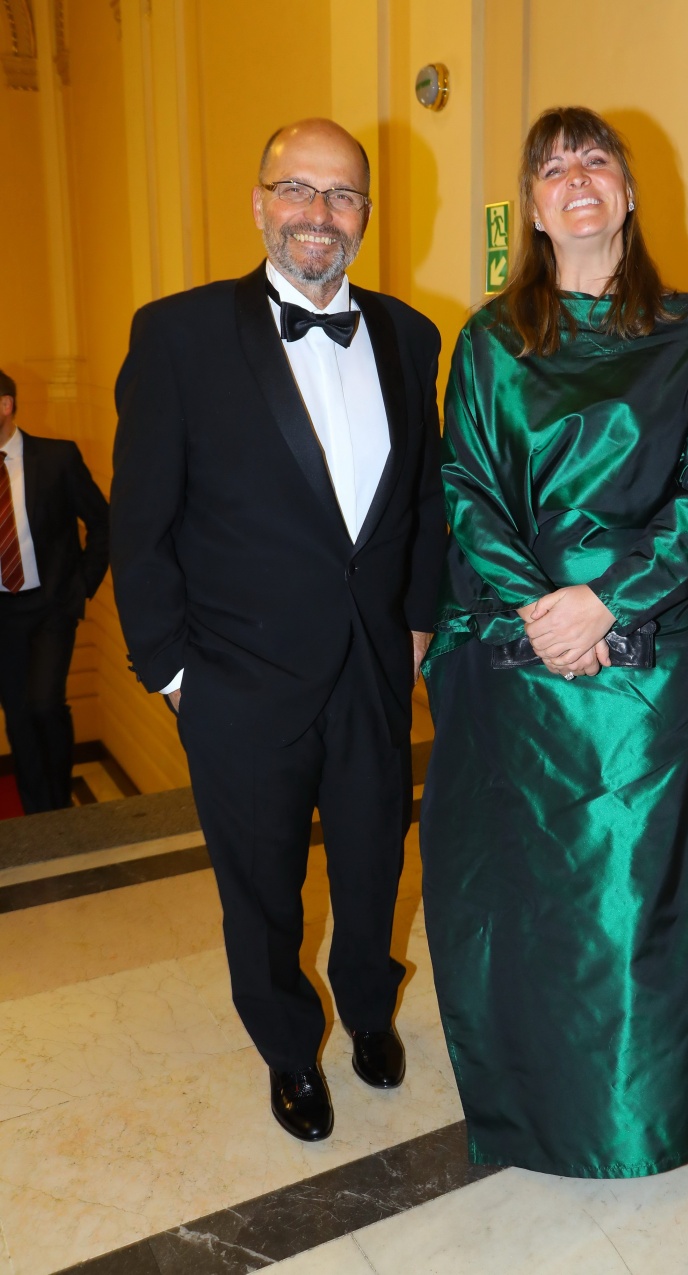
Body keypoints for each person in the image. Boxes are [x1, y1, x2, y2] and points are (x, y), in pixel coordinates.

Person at [419, 106, 688, 1179]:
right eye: (551, 167)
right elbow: (466, 487)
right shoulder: (489, 341)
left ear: (627, 191)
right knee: (538, 895)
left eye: (593, 160)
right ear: (533, 209)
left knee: (648, 890)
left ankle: (664, 1108)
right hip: (521, 658)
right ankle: (543, 1104)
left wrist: (609, 601)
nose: (575, 177)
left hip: (653, 663)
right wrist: (548, 609)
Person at [111, 119, 444, 1143]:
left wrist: (419, 623)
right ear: (259, 201)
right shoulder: (178, 336)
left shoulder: (411, 335)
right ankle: (289, 1047)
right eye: (296, 188)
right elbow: (140, 520)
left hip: (374, 672)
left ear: (365, 215)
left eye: (341, 195)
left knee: (373, 865)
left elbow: (426, 499)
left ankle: (369, 1008)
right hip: (236, 679)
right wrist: (172, 673)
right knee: (260, 889)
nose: (318, 214)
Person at [0, 370, 109, 813]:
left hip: (51, 607)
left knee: (45, 704)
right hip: (2, 616)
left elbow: (102, 522)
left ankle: (60, 807)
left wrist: (80, 587)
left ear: (6, 405)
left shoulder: (56, 458)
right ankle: (37, 815)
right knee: (18, 717)